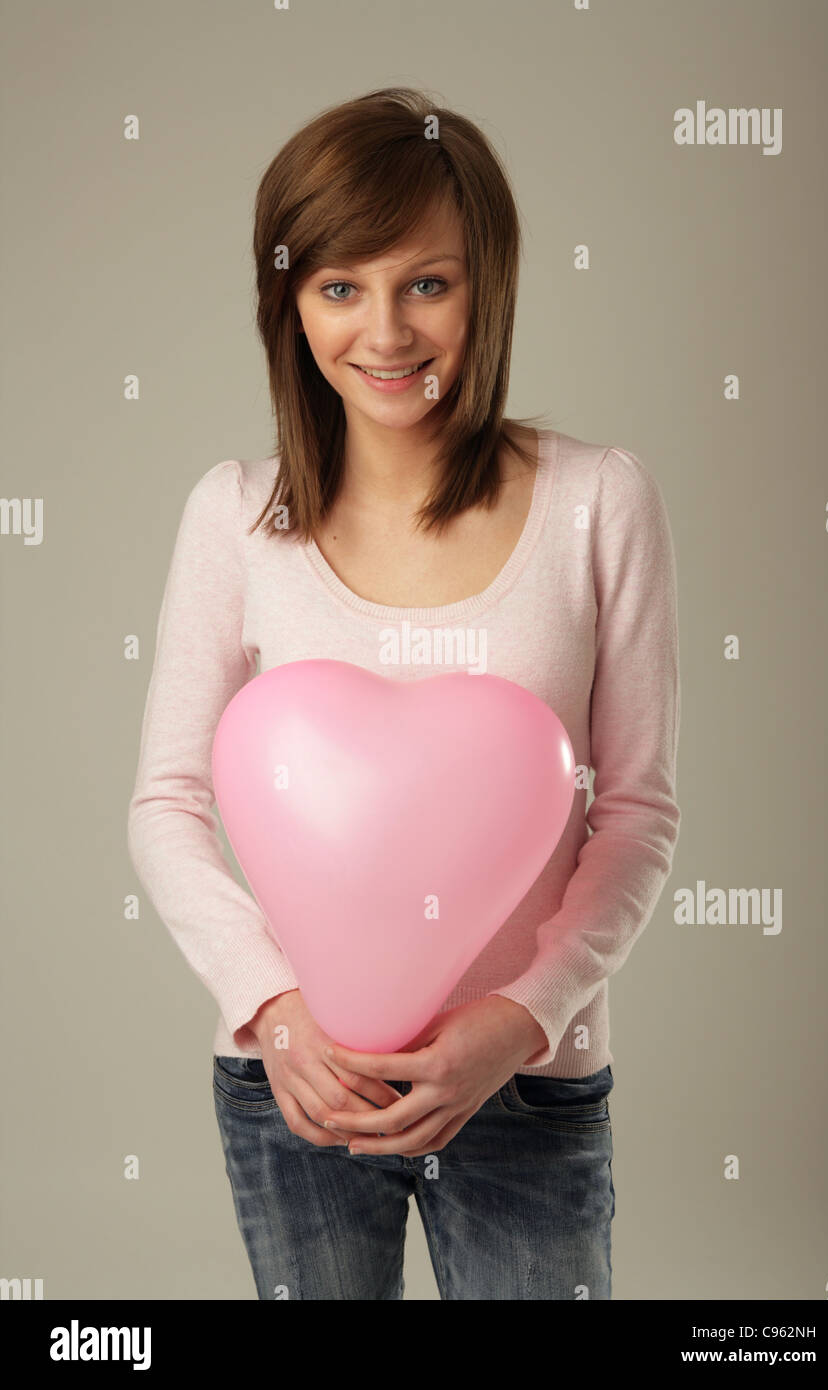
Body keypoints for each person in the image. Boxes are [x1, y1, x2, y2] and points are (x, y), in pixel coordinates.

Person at [127, 86, 682, 1301]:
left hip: (527, 1082)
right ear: (290, 302)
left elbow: (635, 815)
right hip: (295, 1086)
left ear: (488, 285)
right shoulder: (235, 516)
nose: (384, 331)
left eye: (426, 283)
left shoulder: (600, 503)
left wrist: (518, 1020)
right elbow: (164, 803)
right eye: (339, 286)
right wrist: (273, 1012)